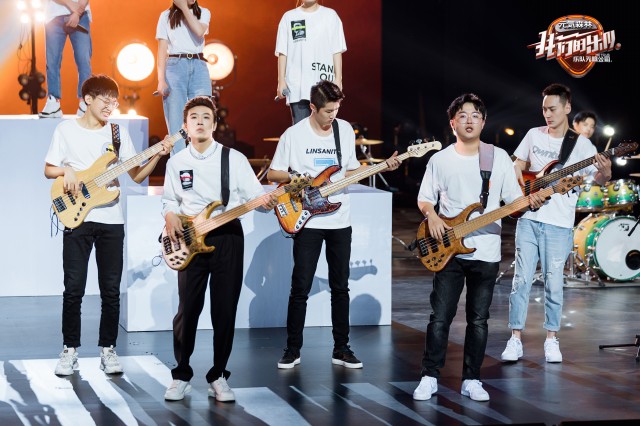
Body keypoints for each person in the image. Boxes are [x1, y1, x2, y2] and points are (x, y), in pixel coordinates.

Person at [412, 93, 544, 402]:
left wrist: (531, 202)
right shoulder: (440, 159)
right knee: (440, 318)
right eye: (463, 115)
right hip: (447, 251)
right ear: (452, 123)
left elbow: (513, 202)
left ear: (483, 122)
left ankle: (472, 379)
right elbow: (425, 198)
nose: (469, 120)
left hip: (485, 251)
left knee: (479, 320)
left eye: (475, 116)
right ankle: (429, 376)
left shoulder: (498, 157)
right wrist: (432, 216)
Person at [44, 74, 173, 376]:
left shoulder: (118, 132)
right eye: (105, 100)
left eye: (114, 102)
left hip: (112, 220)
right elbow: (49, 169)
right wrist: (66, 171)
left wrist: (157, 154)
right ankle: (69, 350)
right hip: (78, 218)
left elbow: (136, 176)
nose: (110, 106)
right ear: (88, 99)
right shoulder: (65, 130)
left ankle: (108, 350)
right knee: (73, 289)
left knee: (111, 291)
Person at [267, 80, 401, 370]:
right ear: (312, 108)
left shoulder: (344, 131)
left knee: (341, 287)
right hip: (307, 220)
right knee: (300, 287)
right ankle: (292, 349)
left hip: (340, 220)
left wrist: (381, 166)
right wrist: (294, 178)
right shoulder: (294, 135)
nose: (333, 116)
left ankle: (342, 349)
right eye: (328, 111)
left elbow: (350, 171)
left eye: (336, 109)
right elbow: (273, 174)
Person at [162, 96, 278, 402]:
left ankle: (218, 376)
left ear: (214, 124)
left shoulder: (234, 159)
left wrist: (268, 202)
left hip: (228, 237)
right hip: (189, 239)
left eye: (206, 117)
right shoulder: (177, 162)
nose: (200, 122)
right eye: (194, 118)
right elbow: (169, 200)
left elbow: (255, 198)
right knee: (188, 310)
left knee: (225, 309)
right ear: (185, 126)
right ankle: (181, 375)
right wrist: (170, 215)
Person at [501, 84, 612, 364]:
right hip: (529, 217)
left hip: (559, 223)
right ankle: (515, 338)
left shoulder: (582, 145)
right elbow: (517, 164)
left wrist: (606, 171)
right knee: (521, 280)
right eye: (544, 110)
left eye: (552, 109)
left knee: (553, 283)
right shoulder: (533, 134)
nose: (547, 114)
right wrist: (522, 183)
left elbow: (598, 180)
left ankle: (551, 339)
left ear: (567, 108)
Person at [275, 0, 346, 124]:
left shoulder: (330, 15)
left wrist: (338, 80)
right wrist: (281, 81)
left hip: (324, 85)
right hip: (297, 86)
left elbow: (336, 50)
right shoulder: (289, 17)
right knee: (301, 130)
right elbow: (282, 52)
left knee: (323, 130)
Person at [156, 0, 212, 154]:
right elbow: (161, 49)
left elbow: (199, 31)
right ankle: (179, 163)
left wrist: (183, 7)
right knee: (176, 121)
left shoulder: (203, 12)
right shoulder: (166, 16)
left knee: (203, 114)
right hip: (175, 65)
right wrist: (161, 80)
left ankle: (202, 159)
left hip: (199, 65)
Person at [39, 0, 92, 118]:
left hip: (81, 15)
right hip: (54, 15)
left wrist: (77, 13)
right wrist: (70, 3)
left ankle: (85, 101)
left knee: (84, 60)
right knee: (52, 61)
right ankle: (53, 102)